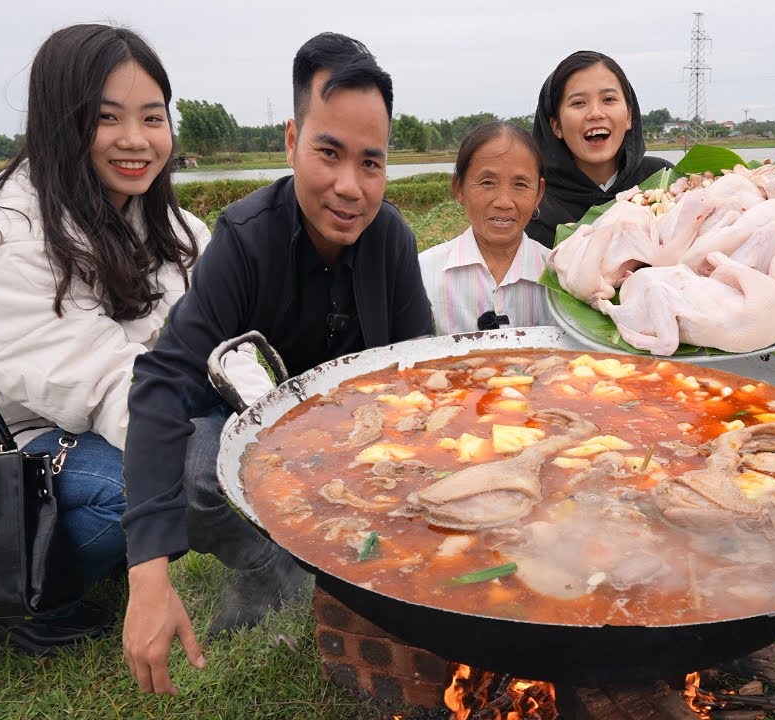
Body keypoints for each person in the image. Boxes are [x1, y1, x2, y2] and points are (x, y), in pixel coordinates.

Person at [121, 33, 433, 695]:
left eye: (371, 164)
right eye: (328, 153)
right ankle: (279, 578)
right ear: (293, 137)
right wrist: (147, 569)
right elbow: (160, 382)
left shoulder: (393, 241)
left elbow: (421, 381)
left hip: (361, 437)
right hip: (250, 430)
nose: (349, 187)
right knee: (200, 476)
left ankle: (341, 575)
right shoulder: (243, 239)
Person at [0, 24, 204, 655]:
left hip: (71, 421)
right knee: (158, 479)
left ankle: (66, 557)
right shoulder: (11, 236)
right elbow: (107, 381)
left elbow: (216, 334)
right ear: (61, 122)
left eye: (152, 117)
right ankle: (11, 593)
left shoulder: (165, 224)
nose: (136, 140)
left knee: (181, 455)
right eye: (107, 118)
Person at [525, 50, 672, 247]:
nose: (595, 113)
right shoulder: (533, 204)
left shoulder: (664, 179)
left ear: (629, 116)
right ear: (556, 126)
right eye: (578, 103)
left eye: (609, 99)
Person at [419, 121, 555, 334]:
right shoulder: (423, 273)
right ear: (459, 189)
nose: (503, 201)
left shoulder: (559, 278)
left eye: (520, 184)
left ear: (539, 193)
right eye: (487, 182)